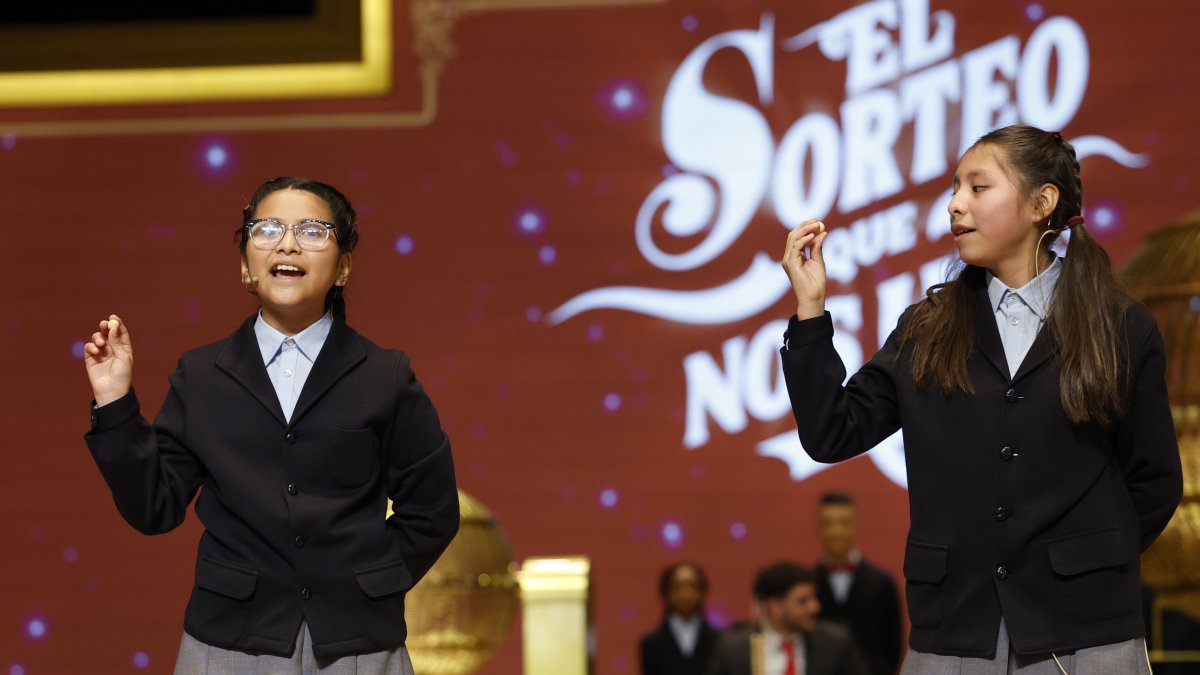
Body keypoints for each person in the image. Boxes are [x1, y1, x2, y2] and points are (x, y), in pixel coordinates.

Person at [779, 125, 1183, 673]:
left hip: (1085, 634)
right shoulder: (927, 327)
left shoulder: (1120, 326)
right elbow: (832, 432)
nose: (953, 204)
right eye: (953, 188)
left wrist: (1085, 564)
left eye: (977, 187)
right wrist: (810, 309)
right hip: (954, 631)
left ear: (1043, 202)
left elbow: (1153, 480)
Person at [83, 177, 459, 674]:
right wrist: (115, 403)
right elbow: (155, 506)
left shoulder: (385, 374)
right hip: (229, 642)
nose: (287, 243)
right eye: (267, 229)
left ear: (343, 266)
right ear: (245, 265)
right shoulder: (201, 375)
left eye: (311, 230)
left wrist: (370, 583)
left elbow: (432, 511)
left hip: (357, 643)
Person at [706, 561, 869, 675]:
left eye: (814, 599)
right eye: (803, 601)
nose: (815, 607)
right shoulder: (734, 649)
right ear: (774, 605)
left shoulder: (835, 644)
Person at [813, 491, 902, 675]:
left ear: (857, 525)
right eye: (827, 523)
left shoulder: (881, 583)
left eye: (844, 522)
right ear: (818, 527)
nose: (835, 532)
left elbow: (892, 644)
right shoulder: (807, 583)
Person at [641, 562, 721, 675]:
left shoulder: (719, 640)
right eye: (677, 587)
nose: (685, 593)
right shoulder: (651, 642)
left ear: (702, 592)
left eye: (692, 586)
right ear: (666, 593)